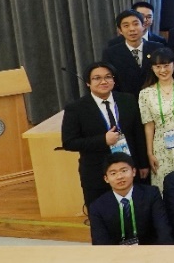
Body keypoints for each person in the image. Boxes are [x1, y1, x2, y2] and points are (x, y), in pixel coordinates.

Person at [62, 61, 149, 207]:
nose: (103, 81)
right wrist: (103, 140)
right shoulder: (76, 108)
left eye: (108, 77)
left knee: (135, 211)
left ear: (114, 80)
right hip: (96, 173)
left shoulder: (128, 100)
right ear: (88, 83)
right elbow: (69, 142)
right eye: (97, 78)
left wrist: (143, 164)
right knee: (102, 214)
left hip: (129, 168)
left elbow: (138, 134)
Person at [138, 47, 174, 193]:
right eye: (158, 66)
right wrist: (150, 153)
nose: (162, 70)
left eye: (166, 65)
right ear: (152, 68)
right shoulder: (145, 93)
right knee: (164, 185)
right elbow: (149, 126)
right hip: (160, 144)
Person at [89, 153, 173, 245]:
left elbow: (163, 230)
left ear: (133, 172)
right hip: (116, 252)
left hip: (149, 250)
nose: (120, 177)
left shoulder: (151, 194)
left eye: (124, 171)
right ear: (106, 179)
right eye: (113, 173)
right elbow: (100, 241)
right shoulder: (97, 207)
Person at [102, 9, 159, 96]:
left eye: (136, 24)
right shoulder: (110, 53)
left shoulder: (157, 48)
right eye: (126, 26)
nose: (132, 29)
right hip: (126, 100)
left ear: (143, 26)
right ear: (120, 30)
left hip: (155, 98)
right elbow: (110, 80)